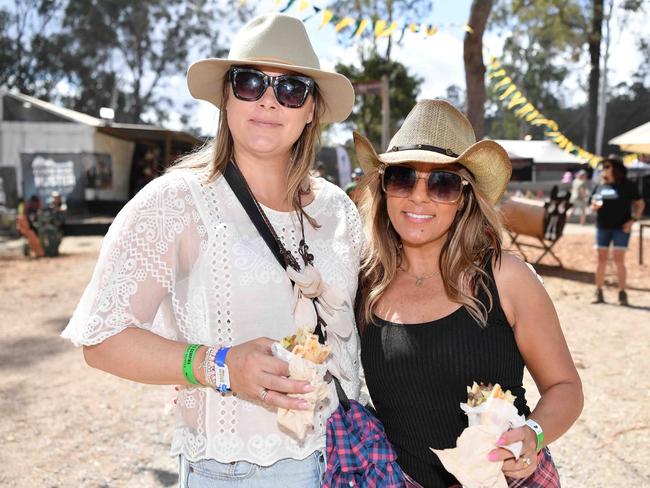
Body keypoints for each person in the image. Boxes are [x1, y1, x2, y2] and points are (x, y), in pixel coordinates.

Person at [61, 12, 363, 487]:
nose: (268, 100)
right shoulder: (175, 202)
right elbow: (101, 339)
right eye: (249, 82)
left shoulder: (339, 210)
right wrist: (218, 366)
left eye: (291, 89)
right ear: (226, 96)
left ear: (311, 110)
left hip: (345, 459)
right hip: (236, 472)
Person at [353, 99, 583, 487]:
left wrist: (534, 435)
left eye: (442, 183)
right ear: (384, 188)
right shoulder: (364, 284)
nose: (419, 197)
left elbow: (565, 388)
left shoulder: (506, 277)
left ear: (463, 199)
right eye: (403, 178)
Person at [590, 155, 645, 305]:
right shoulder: (600, 185)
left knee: (619, 260)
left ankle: (622, 293)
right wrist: (594, 206)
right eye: (603, 167)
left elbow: (640, 204)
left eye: (607, 167)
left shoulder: (627, 185)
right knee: (601, 260)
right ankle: (598, 292)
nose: (604, 170)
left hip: (621, 228)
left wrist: (633, 220)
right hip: (602, 227)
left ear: (616, 168)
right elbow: (592, 202)